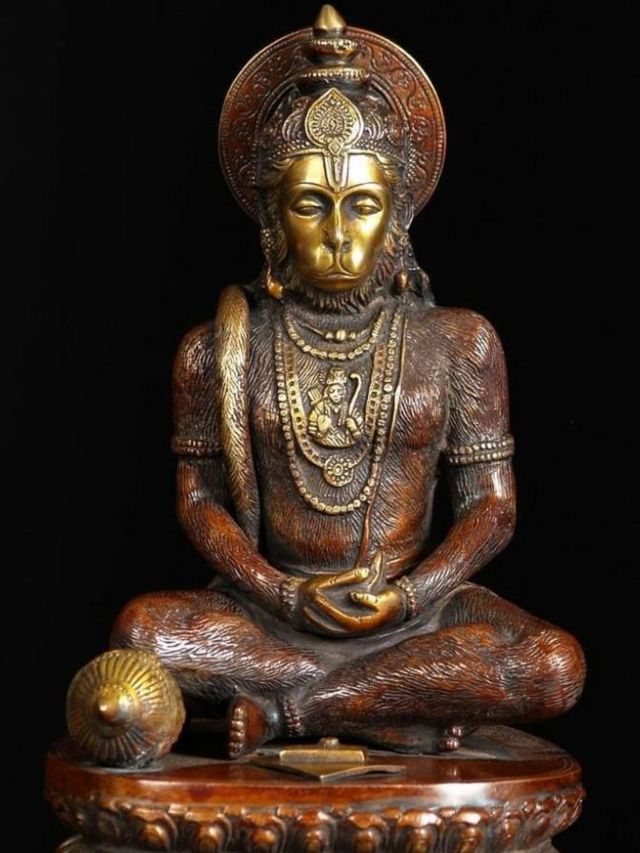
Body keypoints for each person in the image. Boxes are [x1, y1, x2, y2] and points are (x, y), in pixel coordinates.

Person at [111, 6, 585, 759]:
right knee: (143, 630)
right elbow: (198, 502)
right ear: (271, 220)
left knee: (554, 665)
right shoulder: (215, 349)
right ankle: (390, 703)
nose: (338, 234)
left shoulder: (459, 341)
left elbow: (492, 508)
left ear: (397, 218)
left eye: (362, 205)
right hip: (273, 614)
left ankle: (298, 709)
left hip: (419, 614)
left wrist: (413, 592)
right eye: (311, 205)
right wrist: (281, 591)